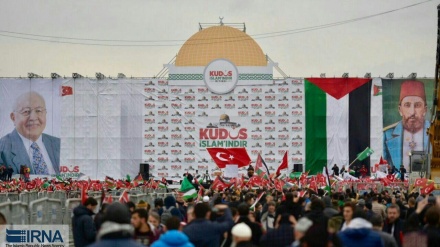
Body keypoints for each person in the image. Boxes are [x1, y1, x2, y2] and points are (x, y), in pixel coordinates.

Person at [0, 91, 60, 175]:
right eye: (26, 111)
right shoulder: (2, 150)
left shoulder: (59, 144)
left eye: (38, 111)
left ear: (45, 114)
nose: (33, 117)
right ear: (13, 118)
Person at [383, 80, 430, 170]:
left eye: (417, 105)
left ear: (425, 110)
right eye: (407, 105)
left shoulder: (435, 132)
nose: (412, 112)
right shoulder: (387, 135)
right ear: (400, 110)